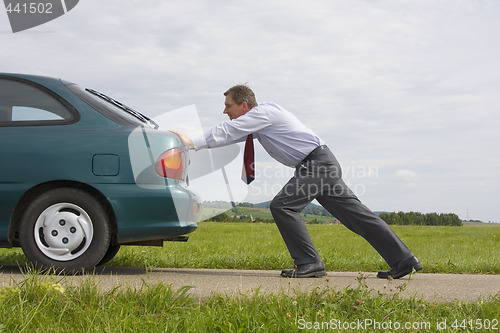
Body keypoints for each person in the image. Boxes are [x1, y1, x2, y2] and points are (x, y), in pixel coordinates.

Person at [170, 84, 422, 279]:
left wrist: (191, 141)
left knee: (282, 205)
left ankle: (310, 263)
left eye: (228, 106)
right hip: (320, 163)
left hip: (317, 164)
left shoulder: (264, 112)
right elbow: (227, 136)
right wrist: (195, 145)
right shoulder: (258, 122)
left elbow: (227, 130)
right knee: (357, 215)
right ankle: (403, 260)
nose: (225, 111)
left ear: (244, 105)